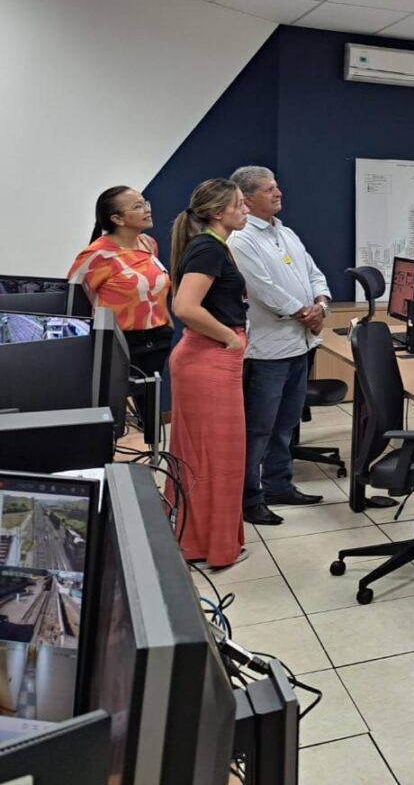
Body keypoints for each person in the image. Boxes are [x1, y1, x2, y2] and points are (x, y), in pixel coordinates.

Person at [227, 167, 330, 527]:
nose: (278, 193)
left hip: (299, 345)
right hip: (267, 352)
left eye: (276, 187)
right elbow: (262, 289)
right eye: (269, 189)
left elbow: (315, 273)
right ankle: (249, 498)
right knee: (259, 429)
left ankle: (278, 485)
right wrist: (305, 314)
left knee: (285, 425)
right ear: (247, 198)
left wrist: (321, 305)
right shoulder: (241, 239)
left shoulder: (285, 232)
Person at [168, 179, 251, 569]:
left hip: (208, 359)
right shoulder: (208, 248)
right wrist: (228, 338)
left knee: (210, 456)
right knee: (216, 459)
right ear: (218, 213)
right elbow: (185, 306)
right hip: (209, 359)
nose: (245, 210)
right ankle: (207, 545)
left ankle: (201, 541)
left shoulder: (213, 246)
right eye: (239, 204)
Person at [68, 187, 173, 378]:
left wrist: (167, 324)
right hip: (120, 341)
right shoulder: (97, 255)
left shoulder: (148, 243)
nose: (147, 210)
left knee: (151, 394)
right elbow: (73, 300)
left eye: (145, 203)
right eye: (138, 206)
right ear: (117, 219)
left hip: (157, 339)